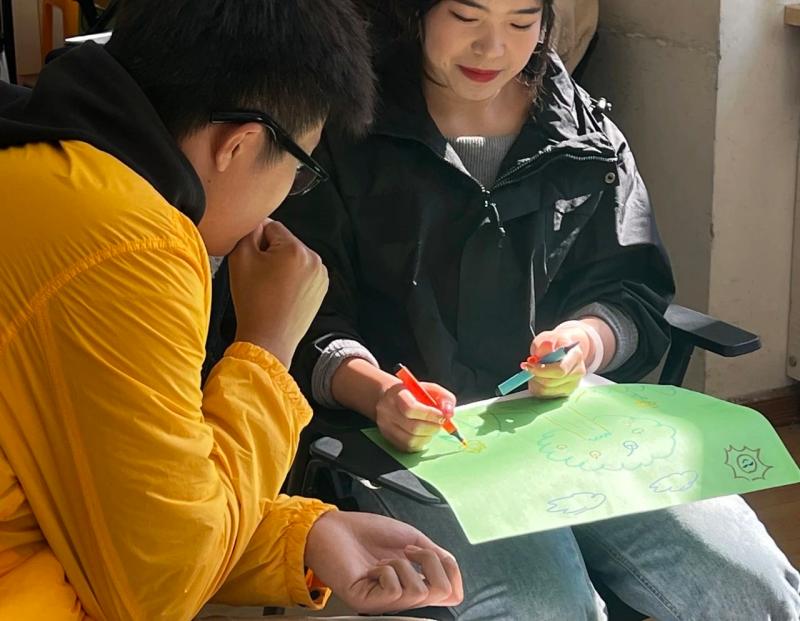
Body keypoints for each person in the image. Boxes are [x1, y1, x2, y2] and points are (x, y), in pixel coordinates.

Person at [256, 0, 797, 618]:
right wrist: (382, 394)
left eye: (520, 23)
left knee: (755, 588)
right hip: (403, 441)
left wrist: (585, 342)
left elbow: (632, 290)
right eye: (467, 18)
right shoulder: (342, 134)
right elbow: (303, 318)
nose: (493, 48)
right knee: (545, 606)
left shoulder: (583, 133)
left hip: (567, 421)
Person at [0, 1, 464, 619]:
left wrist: (304, 536)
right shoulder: (129, 241)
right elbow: (162, 587)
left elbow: (123, 504)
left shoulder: (51, 163)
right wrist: (268, 344)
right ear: (239, 144)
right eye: (299, 170)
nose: (285, 197)